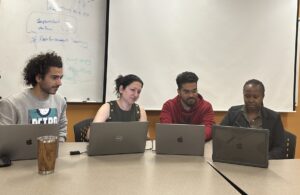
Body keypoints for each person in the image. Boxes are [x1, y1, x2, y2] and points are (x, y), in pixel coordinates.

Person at [0, 52, 67, 142]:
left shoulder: (60, 101)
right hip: (21, 155)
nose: (59, 83)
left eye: (60, 78)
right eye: (54, 78)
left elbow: (61, 131)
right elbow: (4, 141)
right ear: (39, 78)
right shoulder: (11, 104)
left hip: (51, 154)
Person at [220, 79, 285, 159]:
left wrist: (265, 158)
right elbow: (220, 137)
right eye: (247, 96)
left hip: (262, 163)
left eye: (255, 97)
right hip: (236, 159)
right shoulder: (233, 113)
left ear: (262, 97)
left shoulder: (274, 118)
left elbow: (280, 148)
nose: (251, 100)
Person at [86, 74, 147, 139]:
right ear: (121, 89)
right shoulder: (107, 108)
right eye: (132, 90)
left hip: (131, 148)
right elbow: (90, 136)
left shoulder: (140, 110)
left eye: (139, 92)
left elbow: (145, 137)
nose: (136, 94)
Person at [160, 71, 215, 141]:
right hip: (175, 146)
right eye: (186, 92)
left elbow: (209, 128)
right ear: (179, 92)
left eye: (194, 91)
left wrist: (192, 139)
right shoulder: (168, 106)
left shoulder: (206, 107)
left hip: (198, 145)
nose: (191, 95)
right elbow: (166, 129)